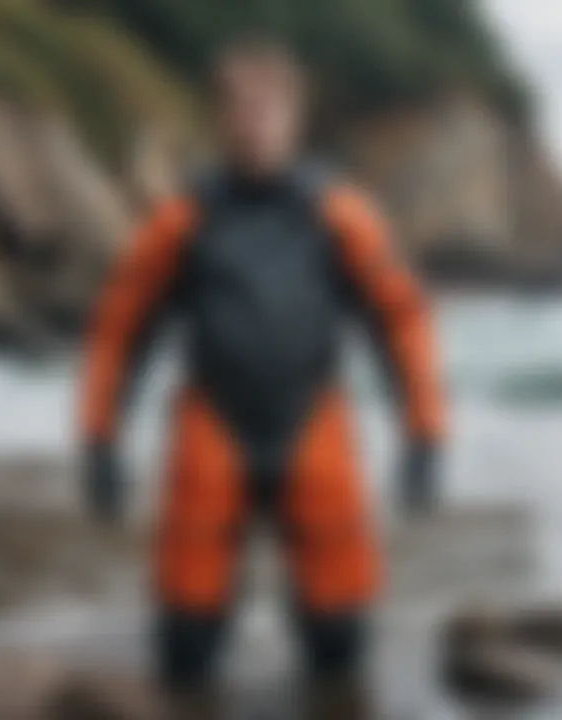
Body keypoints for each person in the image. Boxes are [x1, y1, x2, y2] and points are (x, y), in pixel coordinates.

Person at [78, 37, 446, 718]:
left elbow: (401, 319)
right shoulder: (182, 218)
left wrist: (423, 435)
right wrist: (99, 440)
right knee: (185, 645)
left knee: (338, 643)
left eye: (268, 107)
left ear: (295, 115)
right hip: (211, 427)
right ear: (220, 118)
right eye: (240, 107)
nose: (254, 122)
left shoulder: (340, 212)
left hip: (313, 425)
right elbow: (120, 324)